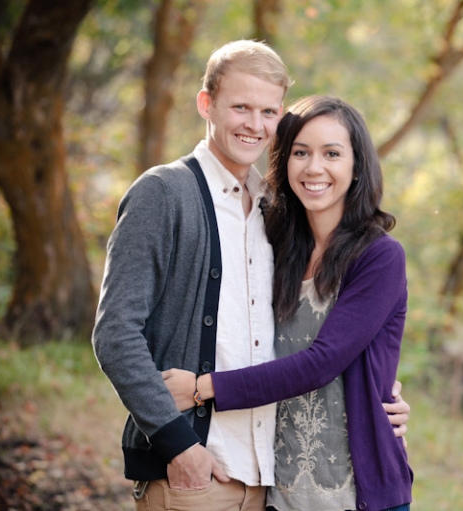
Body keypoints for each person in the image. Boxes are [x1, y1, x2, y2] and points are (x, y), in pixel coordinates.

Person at [92, 41, 408, 511]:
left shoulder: (271, 216)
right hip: (198, 474)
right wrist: (178, 445)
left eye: (268, 111)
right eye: (240, 106)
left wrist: (381, 393)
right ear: (207, 104)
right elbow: (115, 333)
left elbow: (319, 351)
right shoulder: (165, 194)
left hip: (268, 484)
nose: (254, 124)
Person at [163, 95, 412, 511]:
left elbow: (323, 361)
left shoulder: (379, 256)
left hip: (358, 496)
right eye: (300, 152)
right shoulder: (272, 247)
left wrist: (202, 389)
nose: (314, 168)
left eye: (332, 153)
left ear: (357, 167)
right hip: (280, 493)